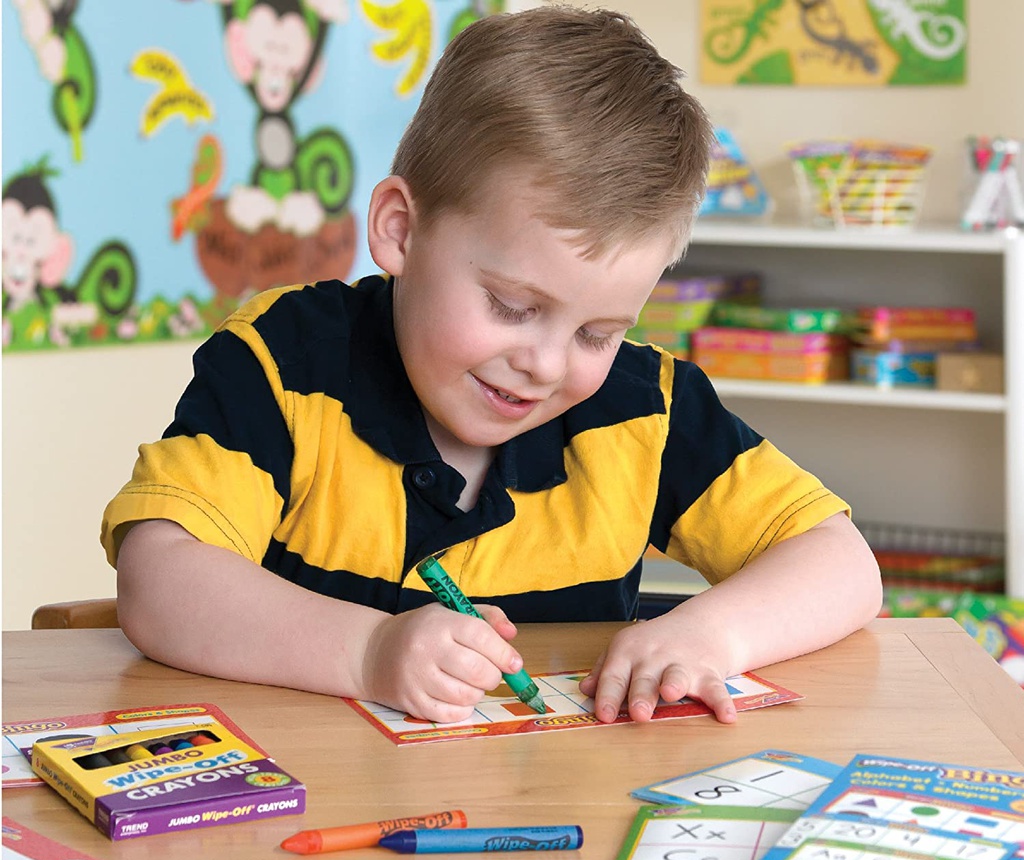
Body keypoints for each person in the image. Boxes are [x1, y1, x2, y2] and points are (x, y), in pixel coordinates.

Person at [102, 6, 882, 727]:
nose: (544, 365)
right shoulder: (284, 362)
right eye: (513, 306)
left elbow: (843, 565)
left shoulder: (647, 407)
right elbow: (159, 578)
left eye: (598, 332)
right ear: (401, 230)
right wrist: (367, 652)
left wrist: (713, 631)